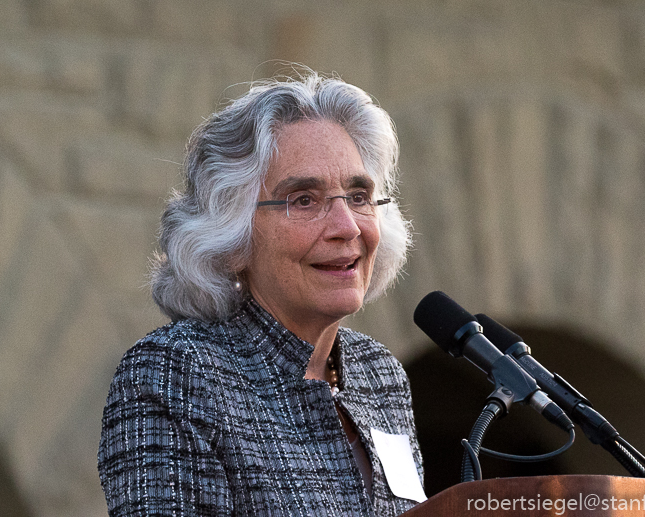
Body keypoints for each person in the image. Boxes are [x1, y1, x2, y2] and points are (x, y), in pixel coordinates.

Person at [97, 71, 423, 516]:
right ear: (232, 236)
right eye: (304, 200)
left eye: (358, 195)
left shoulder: (379, 376)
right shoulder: (179, 374)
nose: (347, 227)